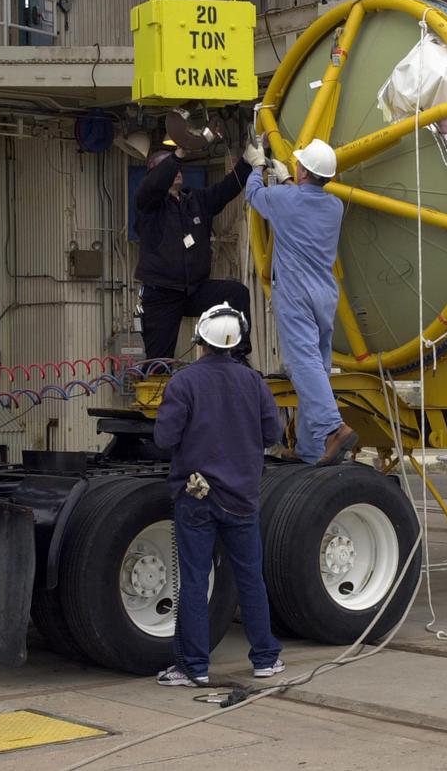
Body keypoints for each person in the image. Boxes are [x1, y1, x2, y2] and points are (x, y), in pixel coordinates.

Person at [152, 302, 284, 687]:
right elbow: (272, 435)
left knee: (194, 579)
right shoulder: (254, 383)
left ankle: (193, 666)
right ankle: (265, 658)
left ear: (201, 339)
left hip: (196, 497)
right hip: (242, 498)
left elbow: (164, 438)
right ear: (237, 340)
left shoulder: (184, 383)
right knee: (250, 578)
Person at [242, 137, 357, 466]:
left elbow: (255, 195)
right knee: (317, 367)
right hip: (324, 293)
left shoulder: (284, 199)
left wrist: (258, 166)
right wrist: (290, 180)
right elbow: (299, 199)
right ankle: (309, 449)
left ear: (304, 170)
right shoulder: (334, 206)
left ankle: (333, 429)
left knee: (302, 363)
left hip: (295, 292)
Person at [134, 146, 255, 362]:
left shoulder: (195, 200)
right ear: (157, 174)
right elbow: (151, 188)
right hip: (162, 294)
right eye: (170, 167)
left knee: (237, 293)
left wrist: (246, 161)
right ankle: (157, 387)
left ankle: (238, 357)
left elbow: (226, 189)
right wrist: (177, 155)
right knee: (158, 363)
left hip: (195, 289)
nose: (178, 170)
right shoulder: (149, 205)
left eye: (178, 167)